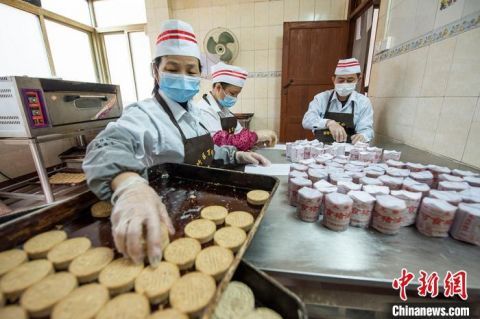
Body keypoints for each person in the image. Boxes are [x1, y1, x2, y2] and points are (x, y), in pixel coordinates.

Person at [82, 20, 270, 267]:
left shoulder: (195, 113)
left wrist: (234, 155)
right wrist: (131, 187)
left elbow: (204, 153)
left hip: (200, 207)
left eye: (191, 71)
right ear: (155, 71)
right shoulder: (144, 115)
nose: (184, 77)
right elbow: (104, 148)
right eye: (173, 68)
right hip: (162, 219)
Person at [197, 62, 277, 151]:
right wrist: (257, 135)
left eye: (237, 94)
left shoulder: (225, 111)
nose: (234, 98)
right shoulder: (204, 110)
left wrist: (256, 142)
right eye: (232, 93)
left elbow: (240, 134)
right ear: (218, 87)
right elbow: (220, 142)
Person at [302, 58, 374, 144]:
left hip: (349, 149)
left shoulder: (363, 102)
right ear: (333, 80)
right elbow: (307, 120)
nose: (345, 84)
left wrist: (363, 136)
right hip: (322, 149)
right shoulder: (321, 98)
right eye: (341, 80)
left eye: (350, 80)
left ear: (359, 79)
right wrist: (329, 123)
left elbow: (367, 130)